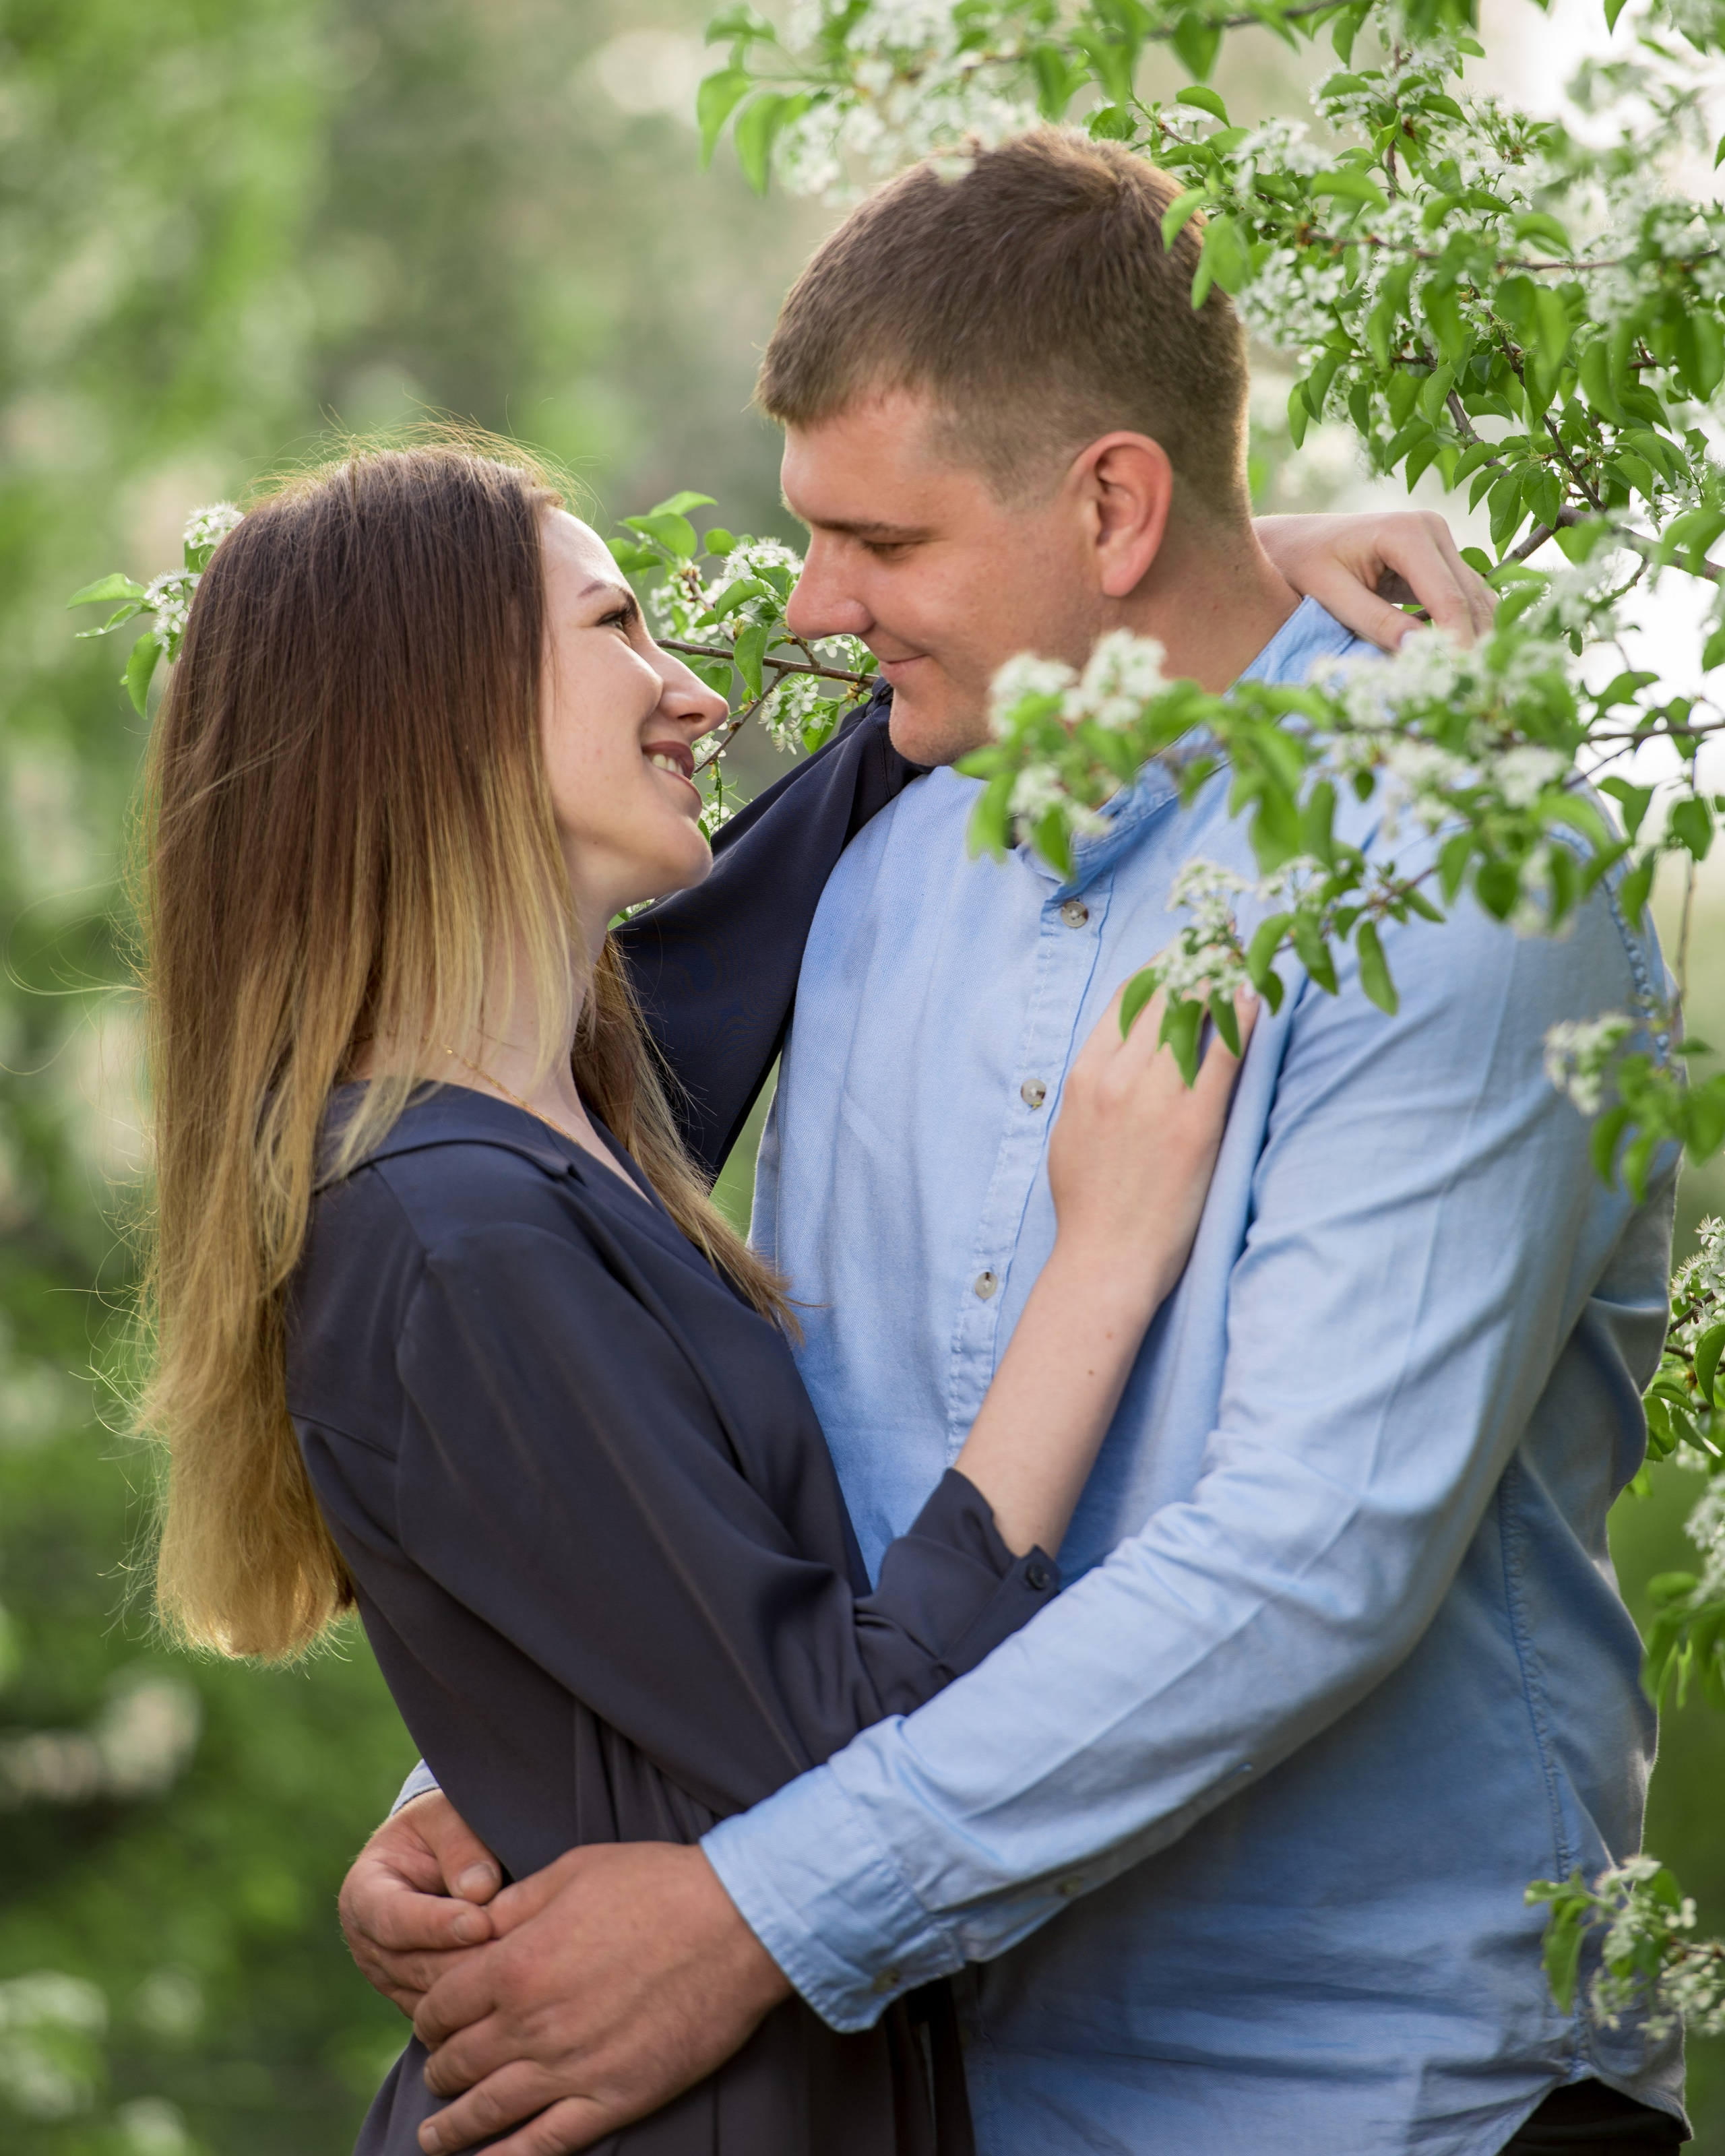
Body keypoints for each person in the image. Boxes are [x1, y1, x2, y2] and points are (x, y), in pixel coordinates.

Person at [342, 135, 1688, 2156]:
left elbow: (1311, 1556)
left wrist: (752, 1920)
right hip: (935, 2096)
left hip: (1375, 2097)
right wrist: (503, 1764)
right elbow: (792, 1454)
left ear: (1115, 508)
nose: (814, 609)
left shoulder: (1446, 875)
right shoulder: (887, 866)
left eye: (879, 539)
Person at [138, 437, 1275, 2155]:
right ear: (441, 711)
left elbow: (848, 786)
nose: (698, 693)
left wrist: (1237, 577)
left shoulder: (558, 1126)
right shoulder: (456, 1231)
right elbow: (842, 1755)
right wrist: (1101, 1261)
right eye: (618, 628)